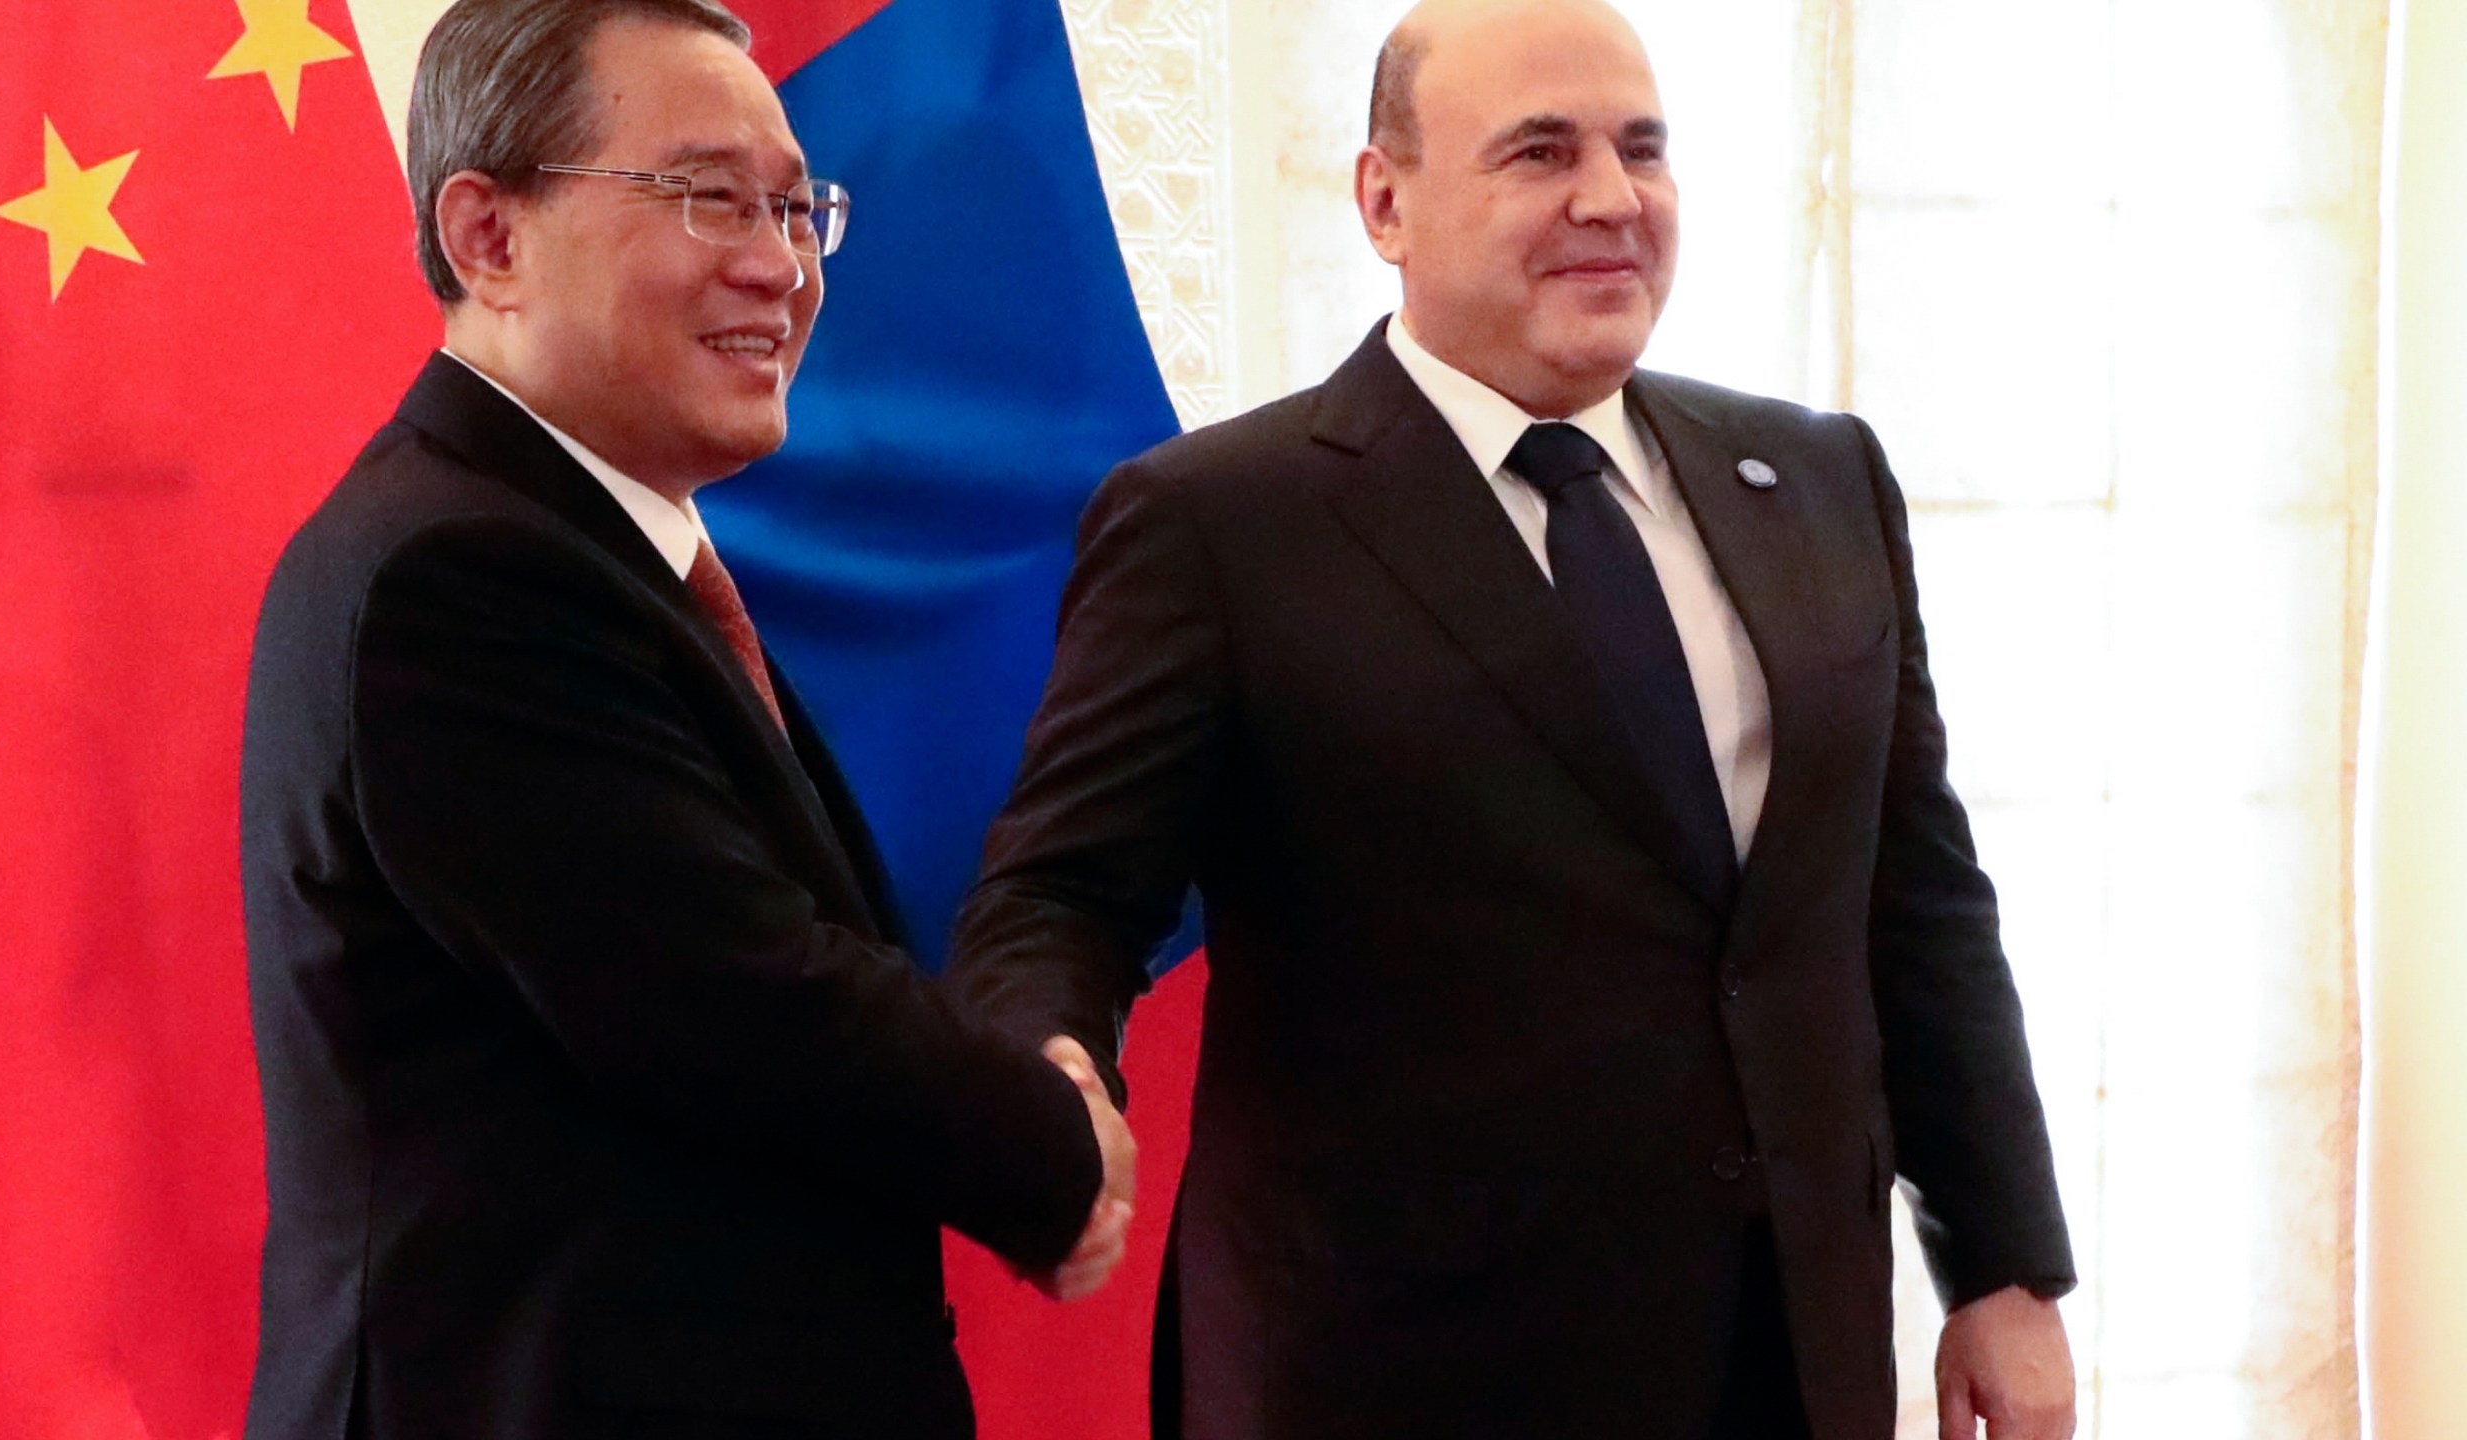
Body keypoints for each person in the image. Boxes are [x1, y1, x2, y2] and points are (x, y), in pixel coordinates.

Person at [946, 1, 2078, 1437]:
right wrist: (1050, 1065)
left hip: (1790, 1357)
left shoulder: (1820, 479)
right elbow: (1060, 891)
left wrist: (2004, 1270)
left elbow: (1915, 900)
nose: (1611, 198)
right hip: (1395, 1370)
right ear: (1385, 199)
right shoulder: (1217, 527)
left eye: (1642, 149)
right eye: (1541, 152)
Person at [238, 2, 1131, 1436]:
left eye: (796, 208)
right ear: (490, 238)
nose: (778, 268)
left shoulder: (583, 557)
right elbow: (747, 1003)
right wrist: (1041, 1143)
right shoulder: (455, 576)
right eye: (711, 196)